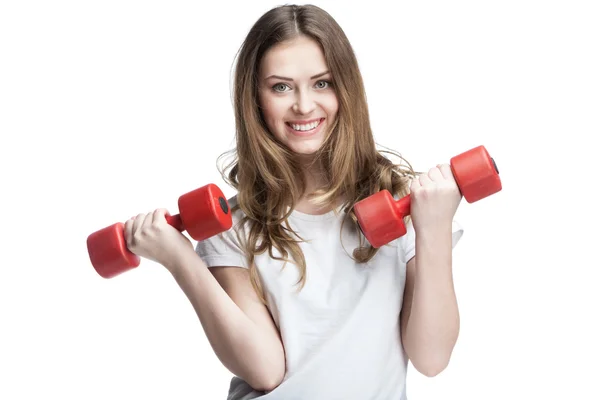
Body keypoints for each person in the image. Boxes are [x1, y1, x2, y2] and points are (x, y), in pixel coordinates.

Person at [123, 4, 465, 399]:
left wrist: (434, 229)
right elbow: (265, 370)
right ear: (255, 99)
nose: (304, 105)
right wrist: (180, 260)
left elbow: (432, 357)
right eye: (281, 87)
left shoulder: (405, 203)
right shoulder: (233, 226)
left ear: (346, 88)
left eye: (322, 83)